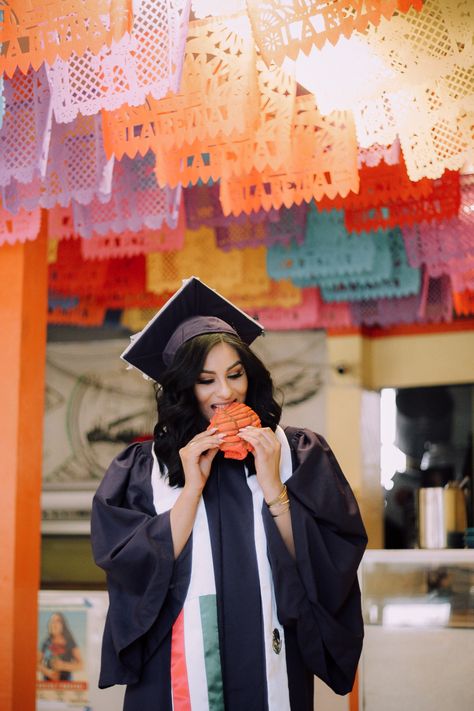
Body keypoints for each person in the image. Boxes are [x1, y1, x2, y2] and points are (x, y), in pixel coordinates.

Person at [91, 277, 367, 711]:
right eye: (206, 380)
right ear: (183, 390)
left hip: (273, 658)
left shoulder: (297, 452)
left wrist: (275, 487)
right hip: (176, 670)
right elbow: (130, 569)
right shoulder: (146, 468)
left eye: (235, 374)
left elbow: (332, 561)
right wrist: (191, 488)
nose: (226, 392)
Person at [37, 611, 84, 682]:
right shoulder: (46, 642)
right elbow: (36, 663)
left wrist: (63, 665)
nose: (53, 624)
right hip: (48, 684)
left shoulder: (69, 642)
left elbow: (81, 665)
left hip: (66, 684)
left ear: (63, 625)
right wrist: (48, 672)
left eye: (57, 621)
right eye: (52, 621)